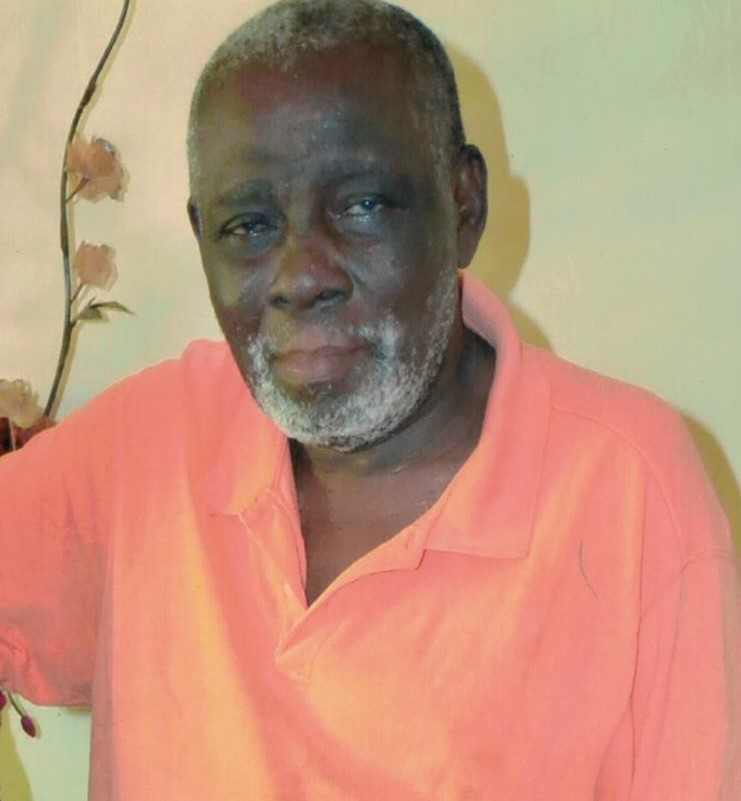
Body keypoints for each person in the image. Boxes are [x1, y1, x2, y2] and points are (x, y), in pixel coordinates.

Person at [1, 0, 739, 798]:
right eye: (248, 225)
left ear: (464, 205)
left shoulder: (630, 490)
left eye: (360, 207)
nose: (300, 276)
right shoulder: (150, 445)